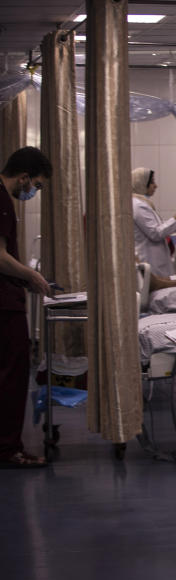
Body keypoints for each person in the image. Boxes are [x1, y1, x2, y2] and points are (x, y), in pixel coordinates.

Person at [0, 147, 53, 468]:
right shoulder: (3, 202)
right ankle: (7, 450)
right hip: (4, 308)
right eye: (36, 184)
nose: (33, 191)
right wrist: (30, 274)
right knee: (12, 377)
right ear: (23, 177)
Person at [132, 167, 176, 277]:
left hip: (155, 262)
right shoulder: (138, 206)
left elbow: (158, 227)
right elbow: (156, 233)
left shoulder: (142, 204)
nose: (155, 186)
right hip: (151, 262)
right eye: (152, 182)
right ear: (142, 183)